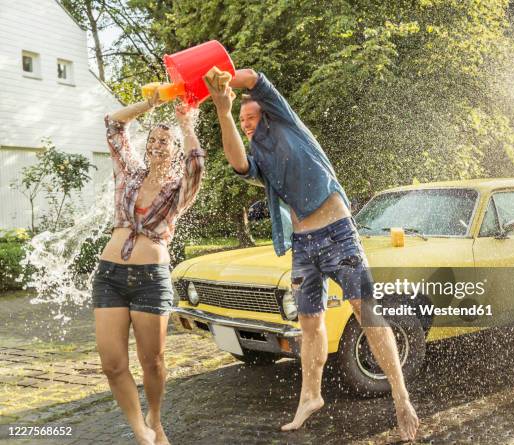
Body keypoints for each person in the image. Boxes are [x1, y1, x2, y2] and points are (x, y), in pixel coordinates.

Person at [205, 68, 419, 441]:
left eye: (251, 117)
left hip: (338, 234)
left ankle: (401, 394)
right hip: (303, 246)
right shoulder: (259, 153)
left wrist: (224, 78)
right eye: (244, 121)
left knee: (364, 308)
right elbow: (239, 164)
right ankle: (311, 396)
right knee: (309, 322)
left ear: (269, 113)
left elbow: (254, 78)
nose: (248, 125)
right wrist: (224, 112)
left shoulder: (287, 122)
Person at [92, 90, 205, 445]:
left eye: (165, 142)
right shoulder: (129, 172)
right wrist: (150, 104)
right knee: (112, 364)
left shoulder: (178, 188)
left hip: (149, 281)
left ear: (173, 152)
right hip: (109, 276)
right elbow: (113, 124)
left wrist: (185, 125)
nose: (157, 144)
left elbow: (197, 163)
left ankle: (155, 417)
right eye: (153, 139)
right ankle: (140, 429)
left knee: (152, 361)